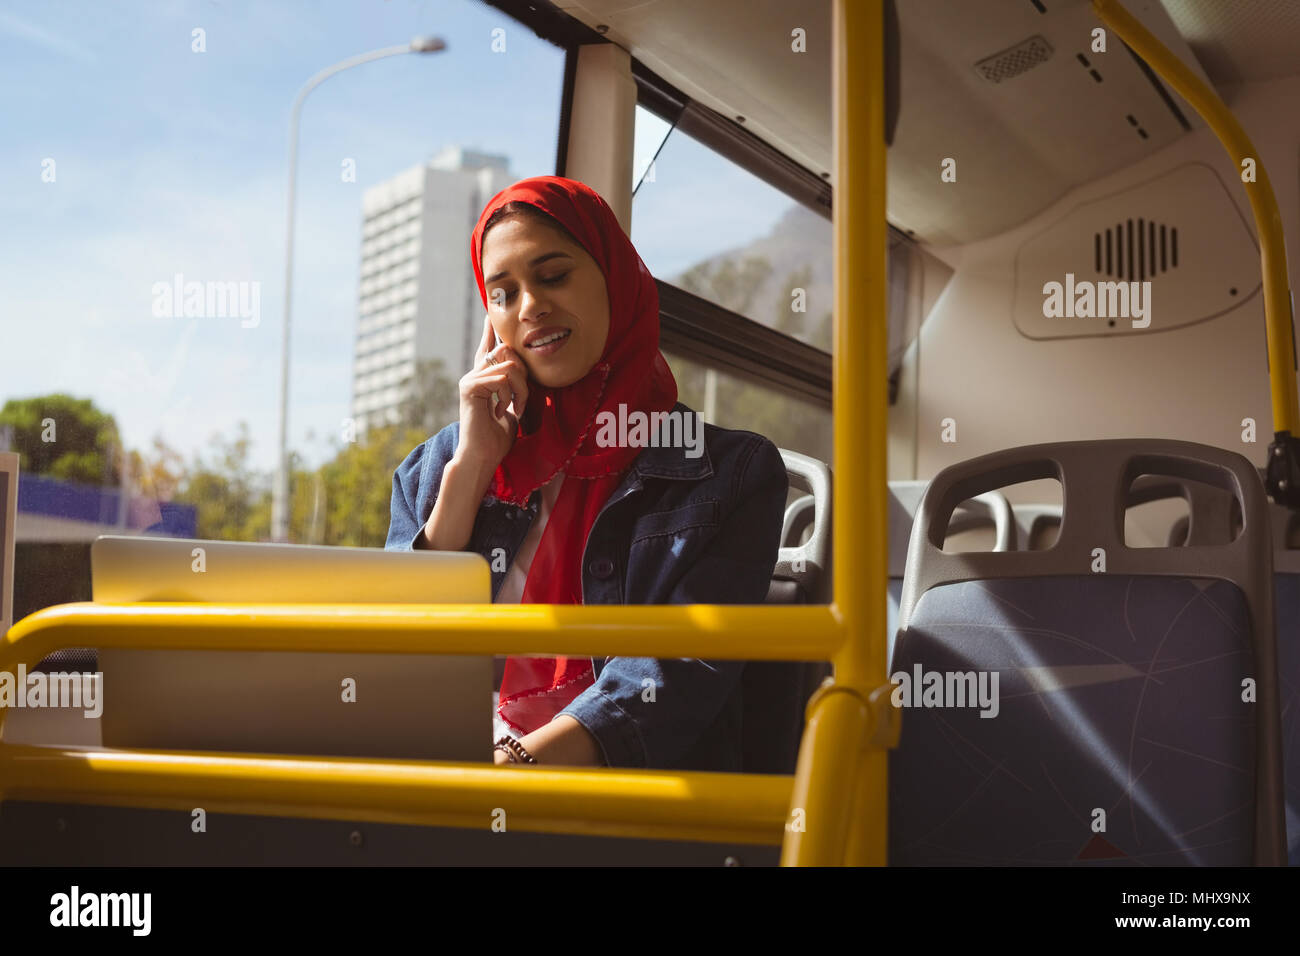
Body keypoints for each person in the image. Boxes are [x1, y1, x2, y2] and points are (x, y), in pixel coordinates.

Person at [385, 175, 788, 772]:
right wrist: (472, 466)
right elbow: (396, 648)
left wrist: (513, 769)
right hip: (453, 771)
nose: (530, 307)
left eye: (553, 277)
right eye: (503, 294)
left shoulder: (731, 473)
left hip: (626, 798)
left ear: (615, 278)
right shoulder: (435, 467)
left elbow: (677, 672)